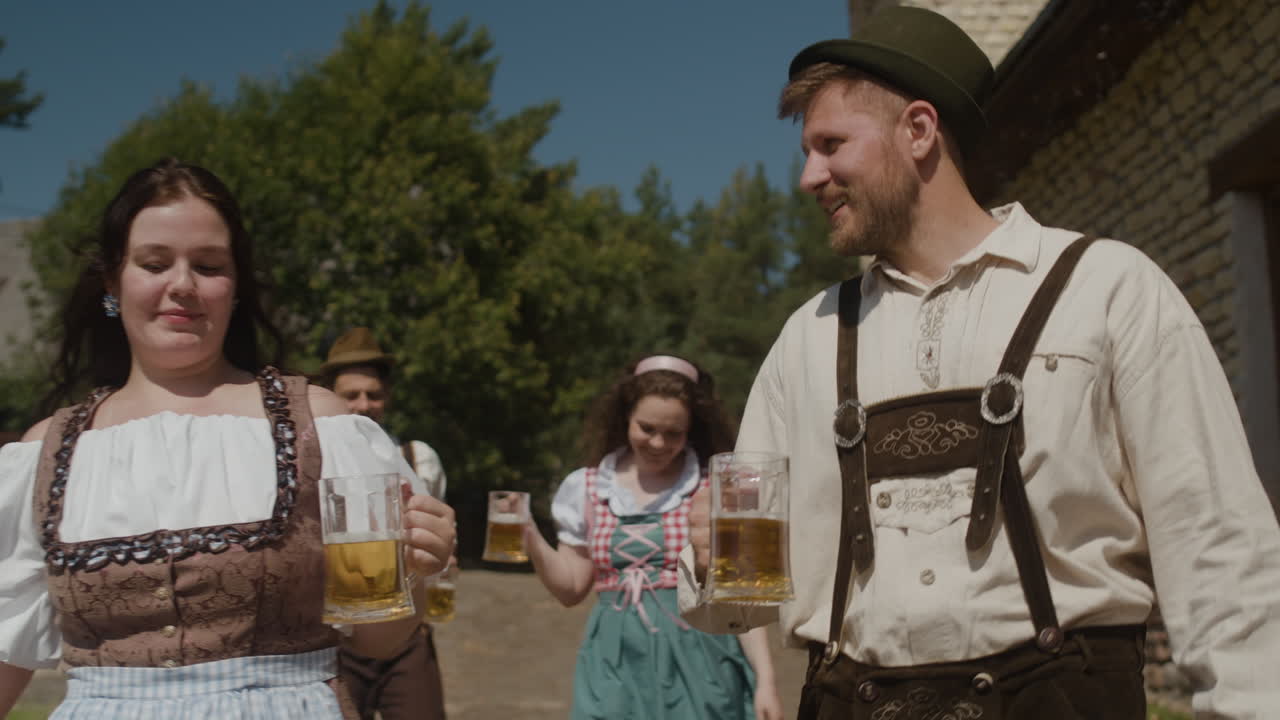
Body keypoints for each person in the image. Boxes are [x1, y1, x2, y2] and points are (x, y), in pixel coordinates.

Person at [677, 6, 1280, 719]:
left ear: (919, 131)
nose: (810, 177)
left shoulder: (1107, 288)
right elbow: (735, 602)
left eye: (831, 144)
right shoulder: (807, 338)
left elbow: (1218, 548)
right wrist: (713, 553)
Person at [0, 158, 455, 719]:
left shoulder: (323, 427)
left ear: (235, 288)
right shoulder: (46, 453)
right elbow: (5, 655)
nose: (182, 285)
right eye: (154, 262)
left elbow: (378, 641)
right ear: (113, 281)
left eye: (209, 265)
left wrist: (412, 566)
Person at [525, 355, 784, 720]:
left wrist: (766, 681)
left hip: (700, 657)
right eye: (647, 428)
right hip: (614, 659)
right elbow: (570, 589)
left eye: (673, 433)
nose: (659, 442)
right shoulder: (587, 487)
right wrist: (529, 536)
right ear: (626, 418)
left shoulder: (718, 489)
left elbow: (740, 598)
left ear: (691, 428)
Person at [319, 327, 449, 720]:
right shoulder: (312, 460)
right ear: (328, 396)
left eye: (373, 394)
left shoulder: (418, 457)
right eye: (352, 394)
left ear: (387, 397)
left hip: (407, 632)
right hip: (335, 636)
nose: (364, 404)